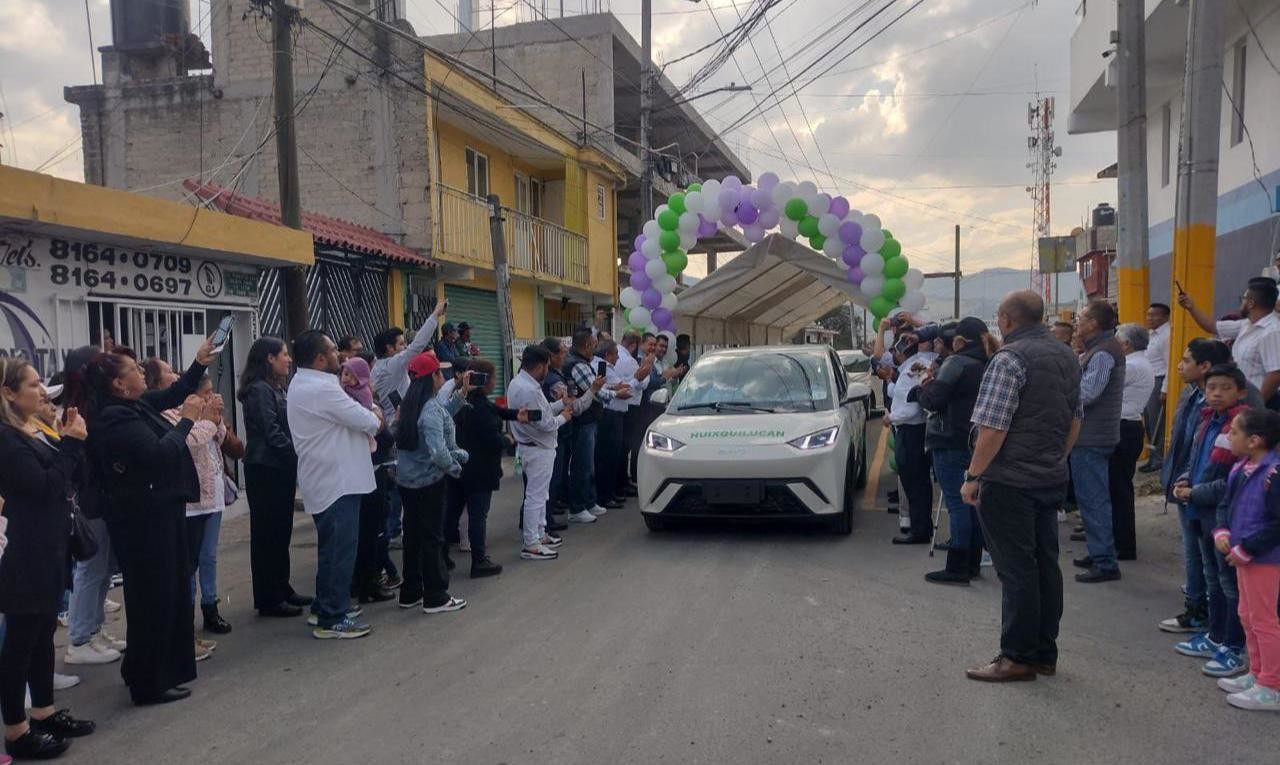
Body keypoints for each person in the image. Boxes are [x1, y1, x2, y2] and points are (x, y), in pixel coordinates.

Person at [71, 340, 217, 706]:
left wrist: (198, 363)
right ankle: (148, 682)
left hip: (159, 512)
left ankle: (145, 669)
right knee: (152, 599)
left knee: (165, 594)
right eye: (134, 371)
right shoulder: (112, 420)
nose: (141, 373)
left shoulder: (132, 406)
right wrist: (187, 420)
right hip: (142, 521)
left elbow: (174, 392)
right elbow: (158, 455)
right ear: (119, 384)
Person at [961, 291, 1081, 682]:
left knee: (1016, 570)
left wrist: (974, 476)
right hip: (1049, 476)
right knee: (1046, 565)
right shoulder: (1066, 355)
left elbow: (994, 426)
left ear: (1007, 320)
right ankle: (1045, 652)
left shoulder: (1009, 359)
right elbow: (1074, 419)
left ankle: (1016, 657)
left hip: (1009, 480)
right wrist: (1054, 458)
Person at [0, 359, 96, 758]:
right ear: (9, 393)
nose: (43, 391)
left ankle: (43, 710)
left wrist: (68, 438)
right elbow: (44, 487)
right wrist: (70, 444)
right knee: (21, 642)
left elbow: (72, 479)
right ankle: (16, 731)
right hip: (25, 551)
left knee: (43, 636)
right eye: (34, 384)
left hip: (50, 545)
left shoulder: (32, 430)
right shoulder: (6, 438)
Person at [287, 330, 381, 640]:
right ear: (319, 359)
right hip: (336, 481)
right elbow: (368, 421)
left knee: (333, 549)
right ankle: (332, 617)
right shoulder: (321, 389)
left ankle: (325, 605)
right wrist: (375, 414)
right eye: (332, 352)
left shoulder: (309, 384)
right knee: (340, 550)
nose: (339, 357)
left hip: (332, 479)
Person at [1172, 365, 1250, 679]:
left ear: (1240, 392)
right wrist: (1184, 479)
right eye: (1211, 387)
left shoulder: (1240, 427)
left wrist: (1195, 491)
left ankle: (1233, 644)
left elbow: (1231, 480)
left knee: (1229, 584)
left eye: (1224, 388)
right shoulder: (1207, 419)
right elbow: (1195, 459)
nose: (1216, 393)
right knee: (1212, 577)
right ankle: (1216, 635)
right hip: (1201, 510)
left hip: (1222, 516)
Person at [1159, 338, 1232, 634]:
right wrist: (1181, 478)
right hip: (1188, 485)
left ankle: (1216, 626)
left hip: (1211, 494)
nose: (1179, 366)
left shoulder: (1232, 407)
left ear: (1206, 367)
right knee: (1195, 555)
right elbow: (1186, 444)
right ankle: (1198, 609)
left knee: (1215, 567)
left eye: (1186, 361)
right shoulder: (1192, 395)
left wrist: (1195, 486)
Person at [59, 347, 126, 668]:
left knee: (103, 571)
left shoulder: (93, 405)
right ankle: (79, 639)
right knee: (91, 569)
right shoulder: (77, 411)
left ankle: (94, 630)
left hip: (100, 499)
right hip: (90, 502)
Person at [238, 337, 310, 618]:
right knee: (268, 534)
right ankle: (269, 597)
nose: (288, 359)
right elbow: (272, 433)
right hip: (266, 468)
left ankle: (282, 587)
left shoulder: (275, 388)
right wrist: (297, 457)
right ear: (269, 358)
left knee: (281, 532)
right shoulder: (258, 390)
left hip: (279, 468)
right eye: (283, 354)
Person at [1213, 409, 1280, 711]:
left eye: (1235, 432)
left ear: (1254, 440)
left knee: (1264, 620)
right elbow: (1227, 504)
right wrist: (1222, 531)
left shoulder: (1273, 474)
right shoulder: (1240, 467)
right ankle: (1256, 672)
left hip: (1264, 559)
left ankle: (1271, 684)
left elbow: (1276, 524)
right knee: (1247, 615)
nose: (1229, 437)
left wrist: (1248, 547)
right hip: (1243, 556)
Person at [160, 376, 230, 660]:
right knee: (188, 564)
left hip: (213, 495)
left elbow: (219, 439)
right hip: (193, 501)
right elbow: (189, 440)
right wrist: (208, 420)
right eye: (206, 392)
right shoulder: (174, 415)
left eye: (213, 391)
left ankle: (211, 606)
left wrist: (218, 420)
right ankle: (185, 625)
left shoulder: (207, 415)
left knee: (209, 557)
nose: (211, 396)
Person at [393, 352, 470, 613]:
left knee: (413, 537)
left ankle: (411, 591)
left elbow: (439, 418)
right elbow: (438, 451)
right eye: (440, 372)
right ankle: (436, 595)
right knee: (433, 539)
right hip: (429, 483)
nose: (444, 376)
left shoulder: (412, 405)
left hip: (407, 483)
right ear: (432, 377)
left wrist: (459, 398)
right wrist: (454, 467)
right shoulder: (428, 409)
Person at [918, 317, 992, 584]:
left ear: (958, 341)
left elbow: (934, 400)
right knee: (971, 502)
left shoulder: (956, 363)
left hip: (949, 439)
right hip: (975, 440)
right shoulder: (987, 362)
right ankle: (972, 562)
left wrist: (922, 388)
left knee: (957, 503)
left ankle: (958, 566)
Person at [1070, 300, 1126, 583]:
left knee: (1093, 498)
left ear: (1093, 323)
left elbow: (1088, 393)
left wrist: (1061, 390)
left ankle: (1105, 561)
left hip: (1092, 436)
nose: (1077, 322)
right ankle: (1098, 551)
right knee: (1090, 497)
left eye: (1081, 318)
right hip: (1092, 435)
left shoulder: (1103, 353)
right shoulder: (1098, 348)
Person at [454, 359, 523, 578]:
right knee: (478, 516)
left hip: (465, 466)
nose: (495, 382)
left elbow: (498, 411)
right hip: (480, 468)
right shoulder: (479, 408)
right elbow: (491, 439)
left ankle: (465, 557)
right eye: (492, 377)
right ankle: (479, 560)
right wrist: (507, 440)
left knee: (463, 513)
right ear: (484, 380)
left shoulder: (466, 399)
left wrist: (516, 415)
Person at [508, 345, 572, 560]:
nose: (548, 369)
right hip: (537, 448)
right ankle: (531, 543)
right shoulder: (529, 389)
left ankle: (540, 533)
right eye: (547, 365)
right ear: (540, 365)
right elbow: (545, 424)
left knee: (540, 494)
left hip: (533, 447)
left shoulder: (521, 383)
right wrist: (564, 416)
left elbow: (540, 413)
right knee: (535, 497)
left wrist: (560, 404)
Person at [1179, 278, 1280, 405]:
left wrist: (1256, 405)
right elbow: (1212, 326)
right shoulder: (1246, 324)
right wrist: (1191, 307)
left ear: (1251, 303)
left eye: (1242, 299)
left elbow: (1275, 374)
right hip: (1240, 401)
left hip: (1258, 406)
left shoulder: (1272, 331)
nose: (1240, 303)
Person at [1111, 324, 1155, 561]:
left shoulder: (1132, 366)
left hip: (1123, 426)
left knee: (1119, 489)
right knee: (1118, 487)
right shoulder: (1140, 363)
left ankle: (1123, 545)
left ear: (1126, 344)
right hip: (1128, 426)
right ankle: (1119, 541)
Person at [886, 333, 936, 544]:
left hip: (910, 431)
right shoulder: (920, 365)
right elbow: (901, 393)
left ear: (899, 352)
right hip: (917, 431)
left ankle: (919, 530)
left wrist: (891, 418)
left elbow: (911, 407)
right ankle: (922, 526)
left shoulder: (912, 369)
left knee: (914, 482)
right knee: (921, 482)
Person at [563, 329, 614, 524]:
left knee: (588, 464)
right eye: (593, 346)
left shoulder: (580, 363)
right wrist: (615, 394)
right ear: (585, 346)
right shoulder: (578, 365)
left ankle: (589, 501)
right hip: (583, 421)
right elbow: (595, 391)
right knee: (582, 465)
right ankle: (577, 507)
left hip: (588, 420)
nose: (595, 350)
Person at [593, 338, 638, 510]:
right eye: (616, 354)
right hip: (609, 415)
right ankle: (604, 495)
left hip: (615, 415)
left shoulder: (608, 367)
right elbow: (621, 389)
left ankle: (610, 493)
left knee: (613, 457)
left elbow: (621, 388)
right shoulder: (602, 367)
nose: (618, 358)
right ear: (607, 354)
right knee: (607, 458)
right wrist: (637, 378)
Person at [541, 337, 573, 529]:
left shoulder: (555, 375)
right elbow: (567, 404)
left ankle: (545, 517)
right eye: (562, 352)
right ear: (551, 356)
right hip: (555, 433)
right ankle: (545, 521)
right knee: (550, 481)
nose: (565, 355)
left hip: (557, 432)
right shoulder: (552, 379)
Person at [1140, 303, 1172, 472]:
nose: (1149, 318)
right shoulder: (1152, 335)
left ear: (1165, 316)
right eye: (1148, 315)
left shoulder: (1167, 335)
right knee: (1149, 423)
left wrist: (1165, 388)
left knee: (1156, 421)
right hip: (1149, 381)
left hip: (1159, 381)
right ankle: (1152, 457)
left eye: (1154, 315)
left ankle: (1158, 458)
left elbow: (1169, 364)